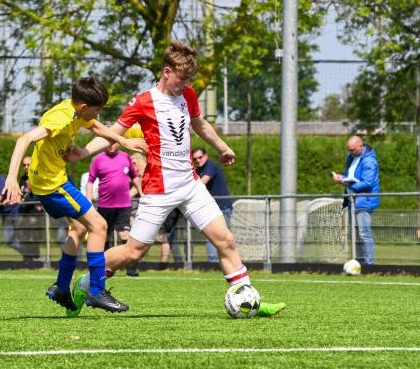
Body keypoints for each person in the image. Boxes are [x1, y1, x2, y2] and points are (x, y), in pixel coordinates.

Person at [66, 41, 285, 318]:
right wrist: (82, 152)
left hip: (191, 185)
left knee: (226, 240)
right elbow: (113, 132)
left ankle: (248, 299)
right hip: (158, 189)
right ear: (166, 71)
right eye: (182, 79)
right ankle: (84, 284)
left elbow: (200, 124)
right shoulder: (143, 101)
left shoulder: (188, 95)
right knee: (133, 252)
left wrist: (222, 147)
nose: (185, 84)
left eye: (188, 80)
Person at [3, 76, 147, 314]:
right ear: (83, 107)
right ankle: (97, 290)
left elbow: (97, 127)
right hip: (53, 184)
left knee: (79, 229)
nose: (97, 115)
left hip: (51, 181)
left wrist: (123, 140)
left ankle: (61, 286)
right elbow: (24, 139)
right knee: (99, 225)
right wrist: (11, 176)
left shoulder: (76, 111)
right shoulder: (60, 118)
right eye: (96, 110)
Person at [87, 143, 142, 276]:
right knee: (104, 237)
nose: (111, 145)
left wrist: (142, 192)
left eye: (114, 142)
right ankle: (103, 267)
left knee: (125, 235)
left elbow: (134, 176)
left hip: (123, 205)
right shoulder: (98, 159)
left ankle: (131, 270)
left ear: (118, 143)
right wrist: (88, 198)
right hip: (105, 205)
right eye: (108, 142)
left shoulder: (125, 157)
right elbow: (90, 180)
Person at [332, 135, 380, 265]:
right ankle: (358, 262)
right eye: (349, 150)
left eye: (353, 150)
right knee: (354, 234)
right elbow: (350, 176)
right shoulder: (351, 157)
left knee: (364, 234)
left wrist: (347, 184)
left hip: (364, 201)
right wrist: (342, 178)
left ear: (361, 146)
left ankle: (369, 264)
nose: (350, 152)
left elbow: (368, 183)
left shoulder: (370, 161)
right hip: (351, 201)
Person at [193, 147, 233, 263]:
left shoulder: (211, 166)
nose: (198, 161)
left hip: (222, 207)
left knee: (219, 237)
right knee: (216, 237)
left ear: (206, 156)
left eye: (200, 157)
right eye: (195, 159)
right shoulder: (199, 169)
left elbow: (201, 183)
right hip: (213, 208)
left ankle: (215, 263)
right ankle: (216, 263)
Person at [18, 156, 45, 262]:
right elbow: (22, 193)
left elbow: (38, 194)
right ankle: (26, 258)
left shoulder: (38, 177)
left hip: (35, 212)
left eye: (28, 165)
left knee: (35, 235)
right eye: (24, 165)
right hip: (24, 211)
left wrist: (28, 200)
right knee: (23, 236)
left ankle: (36, 256)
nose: (26, 167)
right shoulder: (22, 179)